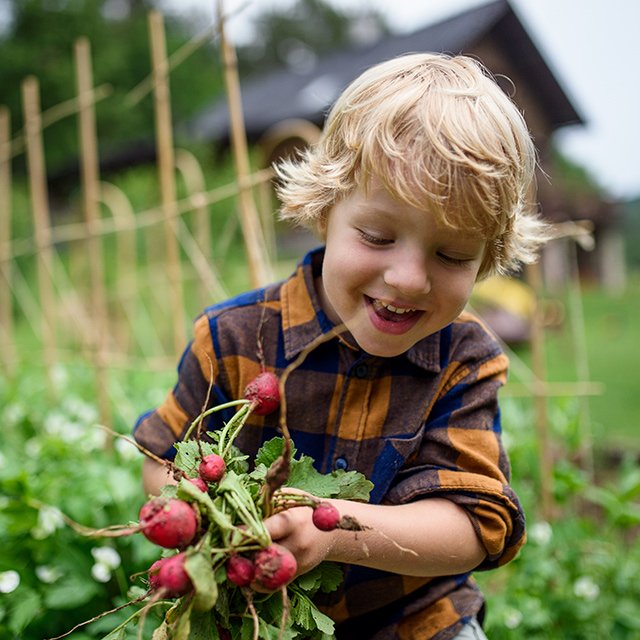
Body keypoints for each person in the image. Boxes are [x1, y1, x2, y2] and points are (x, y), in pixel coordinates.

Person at [134, 52, 549, 639]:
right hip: (259, 614)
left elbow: (471, 527)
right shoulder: (233, 336)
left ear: (488, 259)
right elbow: (161, 460)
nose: (409, 278)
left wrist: (335, 529)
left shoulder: (465, 361)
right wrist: (208, 515)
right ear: (325, 209)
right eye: (378, 236)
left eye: (452, 255)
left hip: (413, 619)